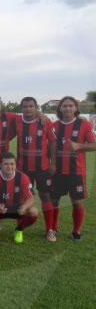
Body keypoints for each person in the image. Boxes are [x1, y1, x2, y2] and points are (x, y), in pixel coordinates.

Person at [50, 96, 96, 242]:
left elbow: (94, 145)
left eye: (71, 105)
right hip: (57, 172)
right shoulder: (54, 126)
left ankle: (76, 231)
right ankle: (54, 228)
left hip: (76, 172)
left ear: (76, 108)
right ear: (60, 108)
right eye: (65, 106)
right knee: (54, 201)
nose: (68, 108)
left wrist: (79, 146)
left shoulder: (84, 124)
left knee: (77, 202)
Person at [11, 96, 57, 235]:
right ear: (21, 108)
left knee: (45, 196)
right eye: (25, 106)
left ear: (36, 108)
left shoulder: (45, 121)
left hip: (42, 168)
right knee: (23, 198)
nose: (28, 109)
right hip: (23, 169)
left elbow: (53, 142)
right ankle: (20, 228)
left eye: (31, 106)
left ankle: (50, 229)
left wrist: (53, 163)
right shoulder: (17, 121)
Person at [0, 152, 38, 244]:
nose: (9, 167)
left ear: (15, 165)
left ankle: (19, 229)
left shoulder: (23, 177)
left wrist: (24, 207)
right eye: (6, 164)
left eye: (12, 164)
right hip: (0, 207)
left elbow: (31, 198)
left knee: (33, 212)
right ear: (0, 165)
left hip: (17, 207)